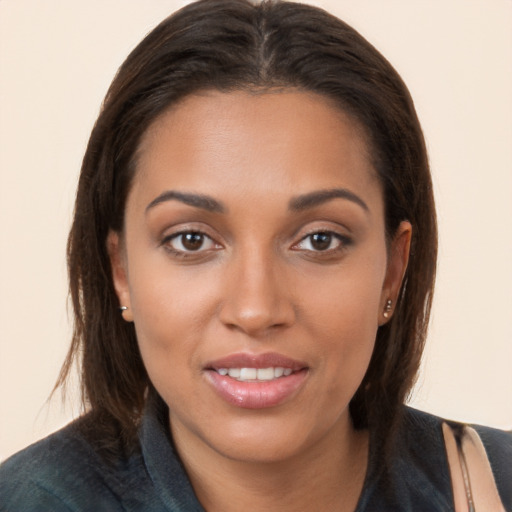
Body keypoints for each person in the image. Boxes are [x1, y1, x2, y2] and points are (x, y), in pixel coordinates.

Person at [0, 0, 510, 510]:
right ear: (121, 270)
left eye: (320, 240)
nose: (256, 309)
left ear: (392, 272)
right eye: (192, 240)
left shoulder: (492, 485)